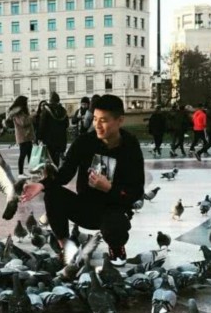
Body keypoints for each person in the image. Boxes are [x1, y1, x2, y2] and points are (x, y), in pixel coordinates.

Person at [21, 94, 144, 267]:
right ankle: (66, 247)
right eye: (95, 119)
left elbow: (136, 191)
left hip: (115, 208)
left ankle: (116, 247)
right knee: (53, 194)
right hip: (86, 207)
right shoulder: (84, 142)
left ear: (120, 121)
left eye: (104, 120)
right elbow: (64, 175)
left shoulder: (130, 146)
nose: (97, 125)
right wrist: (41, 184)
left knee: (115, 223)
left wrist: (109, 188)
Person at [37, 91, 69, 166]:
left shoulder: (46, 110)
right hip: (60, 139)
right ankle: (56, 170)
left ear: (50, 100)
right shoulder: (63, 111)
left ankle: (51, 171)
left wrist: (39, 137)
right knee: (56, 158)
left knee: (49, 159)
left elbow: (42, 124)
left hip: (49, 139)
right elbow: (67, 124)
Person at [6, 96, 34, 178]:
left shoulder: (22, 112)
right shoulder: (17, 113)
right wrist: (31, 116)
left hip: (27, 136)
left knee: (29, 154)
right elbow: (23, 123)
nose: (27, 104)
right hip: (23, 136)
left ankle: (30, 171)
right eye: (26, 102)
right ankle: (20, 173)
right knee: (23, 154)